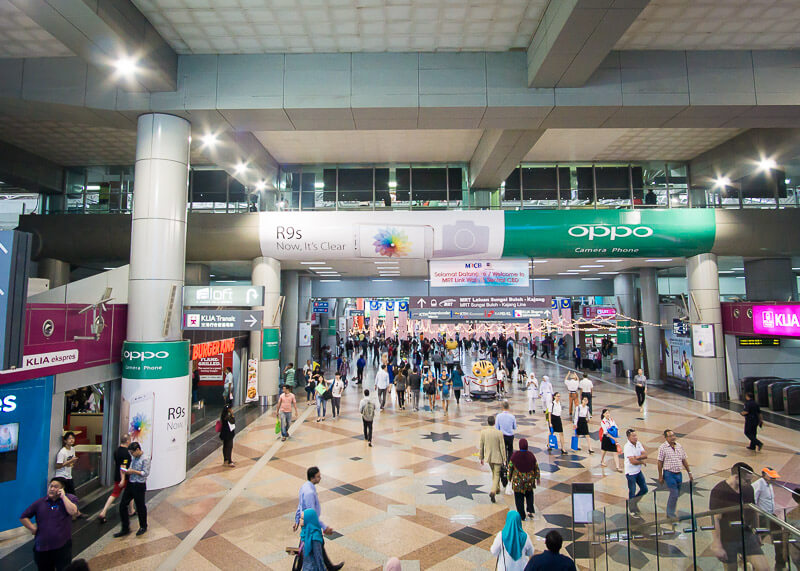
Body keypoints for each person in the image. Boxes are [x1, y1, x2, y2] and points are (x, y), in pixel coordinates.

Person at [709, 462, 769, 571]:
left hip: (746, 535)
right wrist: (717, 543)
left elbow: (754, 511)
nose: (750, 483)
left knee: (764, 568)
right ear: (736, 477)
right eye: (747, 480)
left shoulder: (748, 489)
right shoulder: (719, 491)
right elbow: (715, 518)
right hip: (727, 538)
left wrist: (757, 533)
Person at [20, 477, 80, 571]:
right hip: (42, 548)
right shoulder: (40, 503)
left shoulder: (70, 499)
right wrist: (32, 528)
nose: (52, 489)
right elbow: (23, 517)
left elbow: (73, 512)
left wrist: (63, 497)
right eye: (51, 486)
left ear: (62, 489)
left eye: (55, 487)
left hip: (62, 547)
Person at [293, 467, 343, 571]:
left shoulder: (305, 486)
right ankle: (297, 569)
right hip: (311, 526)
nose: (320, 478)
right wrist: (325, 527)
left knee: (309, 546)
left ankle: (329, 566)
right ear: (312, 478)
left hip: (307, 524)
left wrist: (297, 520)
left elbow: (300, 504)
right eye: (318, 476)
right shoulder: (310, 493)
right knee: (308, 548)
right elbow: (313, 516)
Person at [114, 442, 149, 537]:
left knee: (140, 506)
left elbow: (145, 473)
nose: (131, 455)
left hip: (139, 484)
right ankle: (125, 528)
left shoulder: (145, 459)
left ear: (137, 450)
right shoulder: (133, 458)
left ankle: (143, 526)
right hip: (131, 483)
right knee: (122, 505)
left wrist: (133, 471)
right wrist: (126, 471)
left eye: (132, 453)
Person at [753, 467, 786, 569]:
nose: (774, 479)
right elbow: (753, 500)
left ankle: (780, 562)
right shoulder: (759, 484)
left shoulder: (769, 485)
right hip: (762, 516)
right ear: (764, 475)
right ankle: (751, 557)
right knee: (758, 539)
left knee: (778, 536)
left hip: (771, 515)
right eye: (771, 477)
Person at [657, 429, 692, 520]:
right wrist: (660, 476)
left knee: (676, 494)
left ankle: (671, 511)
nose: (673, 437)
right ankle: (670, 514)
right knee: (674, 494)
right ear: (666, 438)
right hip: (669, 474)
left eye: (673, 435)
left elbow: (684, 460)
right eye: (670, 436)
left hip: (678, 474)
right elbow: (660, 462)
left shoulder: (679, 446)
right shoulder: (662, 448)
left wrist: (689, 472)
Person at [98, 434, 134, 523]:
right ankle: (131, 510)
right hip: (124, 478)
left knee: (115, 494)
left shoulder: (117, 451)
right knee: (130, 493)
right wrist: (123, 479)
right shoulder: (126, 453)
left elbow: (117, 463)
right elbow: (123, 467)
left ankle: (104, 511)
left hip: (117, 475)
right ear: (128, 441)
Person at [508, 439, 540, 521]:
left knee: (519, 498)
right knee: (529, 495)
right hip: (529, 481)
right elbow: (536, 467)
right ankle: (530, 510)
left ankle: (521, 515)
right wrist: (537, 477)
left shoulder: (515, 455)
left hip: (518, 483)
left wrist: (509, 478)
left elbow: (510, 467)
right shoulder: (531, 455)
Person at [479, 415, 507, 503]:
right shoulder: (499, 433)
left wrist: (481, 457)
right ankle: (493, 491)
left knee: (494, 473)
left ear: (488, 422)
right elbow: (502, 447)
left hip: (489, 457)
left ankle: (497, 488)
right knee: (497, 474)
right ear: (494, 423)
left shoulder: (483, 432)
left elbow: (481, 446)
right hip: (498, 457)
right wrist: (505, 458)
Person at [623, 429, 648, 517]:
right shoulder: (627, 447)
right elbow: (632, 461)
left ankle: (634, 502)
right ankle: (632, 509)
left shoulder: (638, 444)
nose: (635, 437)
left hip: (638, 471)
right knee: (632, 491)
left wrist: (637, 457)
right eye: (633, 436)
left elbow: (645, 455)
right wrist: (641, 461)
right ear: (629, 437)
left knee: (644, 489)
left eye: (636, 435)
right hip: (630, 473)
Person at [54, 432, 79, 498]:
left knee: (72, 496)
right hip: (61, 477)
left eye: (73, 438)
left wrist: (72, 463)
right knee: (64, 496)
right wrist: (70, 461)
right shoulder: (62, 452)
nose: (71, 440)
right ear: (65, 441)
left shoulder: (73, 449)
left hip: (69, 476)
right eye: (69, 438)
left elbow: (71, 462)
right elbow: (58, 466)